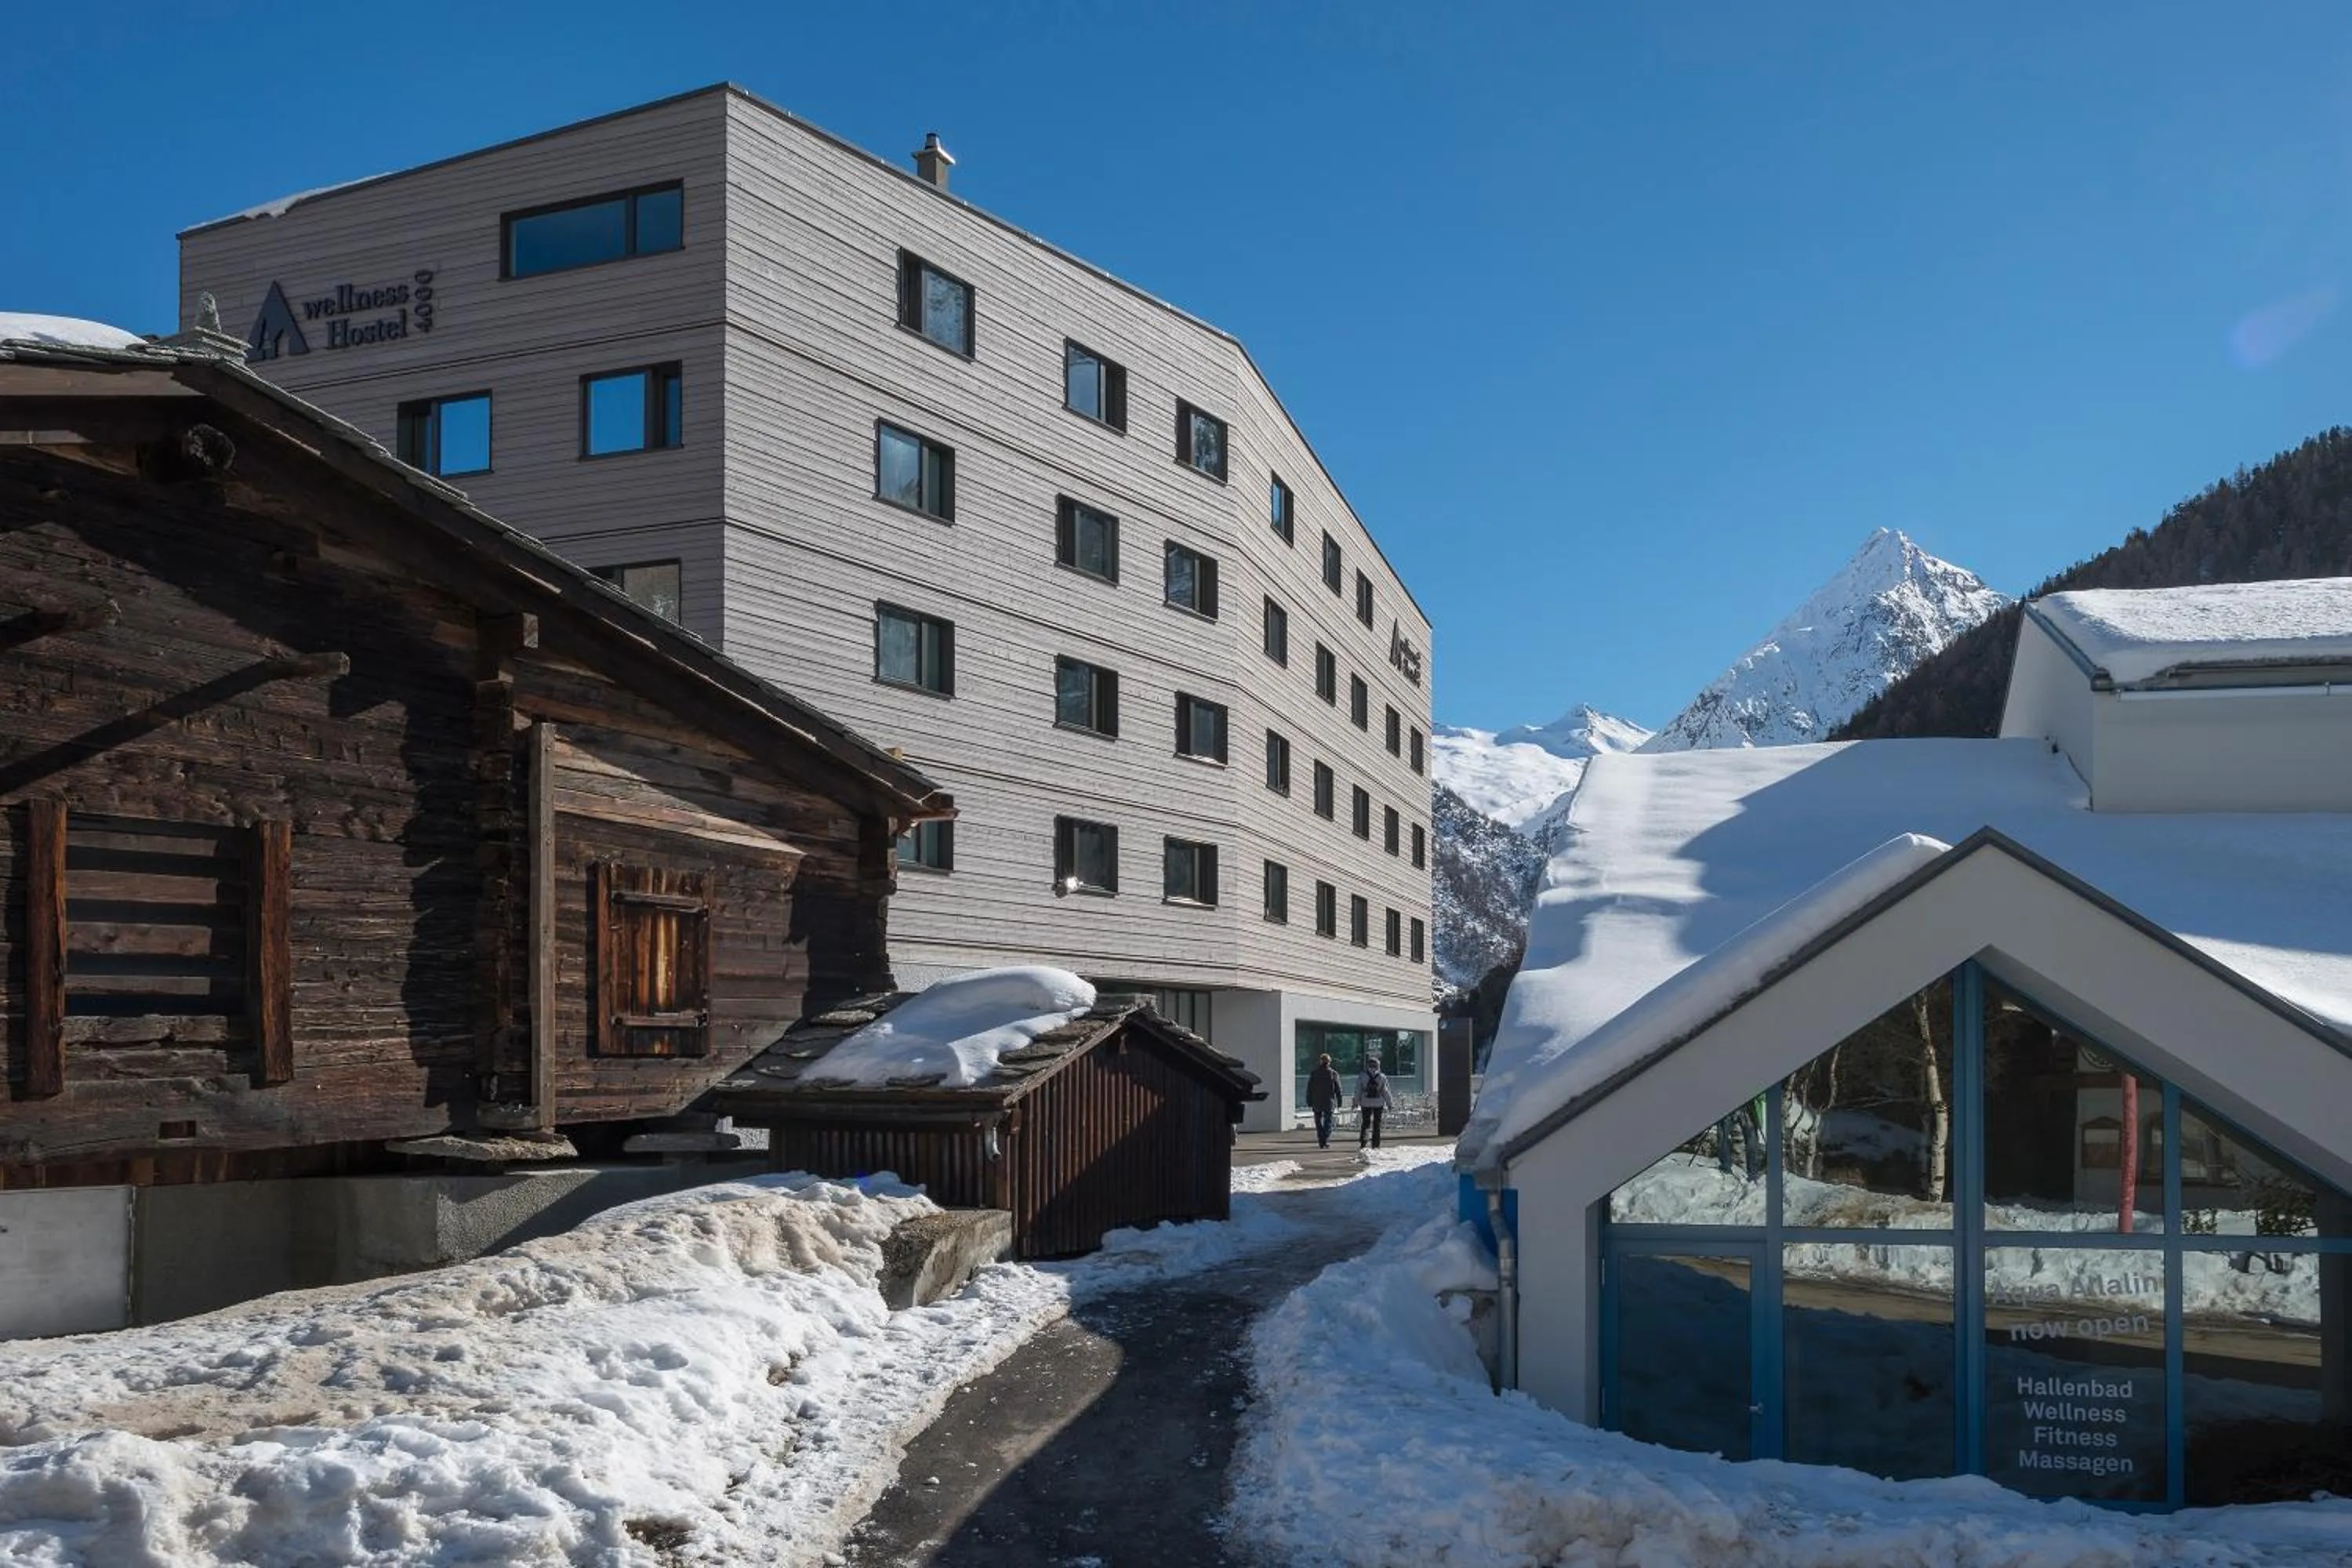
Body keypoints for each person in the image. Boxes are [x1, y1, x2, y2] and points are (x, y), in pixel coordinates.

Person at [1305, 1053, 1343, 1149]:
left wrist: (1309, 1100)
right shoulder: (1333, 1074)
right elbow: (1338, 1089)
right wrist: (1339, 1100)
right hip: (1328, 1101)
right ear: (1329, 1062)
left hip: (1316, 1101)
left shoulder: (1314, 1073)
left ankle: (1321, 1139)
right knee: (1328, 1121)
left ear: (1320, 1061)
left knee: (1318, 1121)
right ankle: (1324, 1138)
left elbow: (1310, 1089)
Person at [1356, 1055, 1392, 1150]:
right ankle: (1375, 1144)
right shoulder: (1382, 1077)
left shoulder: (1362, 1076)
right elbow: (1386, 1091)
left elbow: (1358, 1090)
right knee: (1377, 1124)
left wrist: (1356, 1102)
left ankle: (1364, 1142)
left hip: (1366, 1102)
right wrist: (1390, 1103)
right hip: (1378, 1103)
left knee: (1366, 1123)